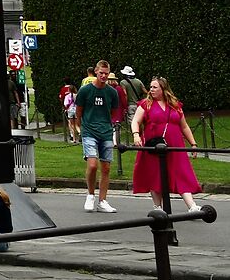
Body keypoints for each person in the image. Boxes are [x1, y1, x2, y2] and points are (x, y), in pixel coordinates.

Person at [132, 77, 203, 215]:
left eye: (154, 87)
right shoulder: (145, 104)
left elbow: (184, 126)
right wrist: (136, 135)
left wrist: (193, 143)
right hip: (154, 145)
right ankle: (157, 207)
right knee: (154, 174)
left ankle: (192, 205)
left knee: (181, 172)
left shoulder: (175, 105)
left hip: (175, 144)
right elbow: (135, 121)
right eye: (151, 87)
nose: (151, 89)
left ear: (163, 89)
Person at [74, 60, 124, 212]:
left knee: (106, 167)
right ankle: (90, 195)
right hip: (89, 130)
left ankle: (103, 200)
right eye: (101, 73)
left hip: (106, 131)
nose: (103, 76)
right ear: (95, 71)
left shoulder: (112, 92)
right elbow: (79, 111)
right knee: (92, 164)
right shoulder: (85, 90)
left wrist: (111, 127)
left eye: (106, 74)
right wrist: (80, 127)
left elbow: (114, 112)